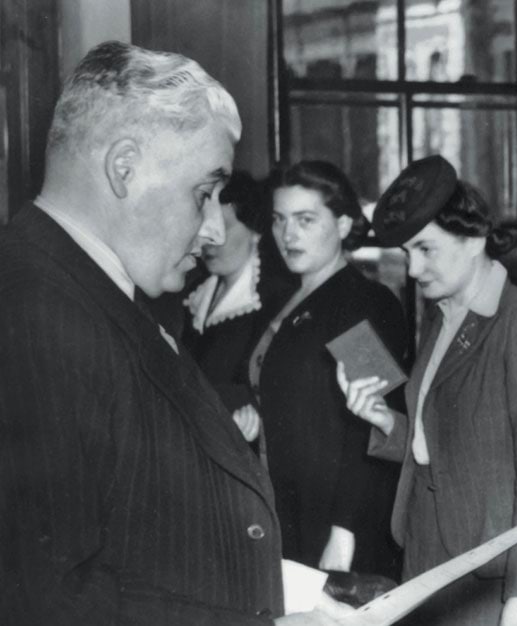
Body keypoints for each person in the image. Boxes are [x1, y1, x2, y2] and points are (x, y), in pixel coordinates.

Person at [0, 41, 344, 625]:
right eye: (203, 193)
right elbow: (46, 601)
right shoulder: (33, 310)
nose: (213, 228)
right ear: (124, 168)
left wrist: (295, 594)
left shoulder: (90, 292)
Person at [340, 155, 517, 626]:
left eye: (426, 249)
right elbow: (443, 444)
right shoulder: (440, 318)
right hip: (423, 547)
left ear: (475, 239)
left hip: (485, 566)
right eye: (406, 254)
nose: (414, 268)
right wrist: (387, 422)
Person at [250, 160, 407, 576]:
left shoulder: (359, 303)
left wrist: (346, 529)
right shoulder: (285, 299)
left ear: (342, 224)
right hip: (287, 508)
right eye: (280, 220)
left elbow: (374, 422)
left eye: (305, 220)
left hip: (336, 523)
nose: (288, 234)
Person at [182, 170, 294, 443]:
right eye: (203, 222)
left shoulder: (275, 301)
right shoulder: (193, 293)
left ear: (255, 231)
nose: (210, 237)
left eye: (225, 225)